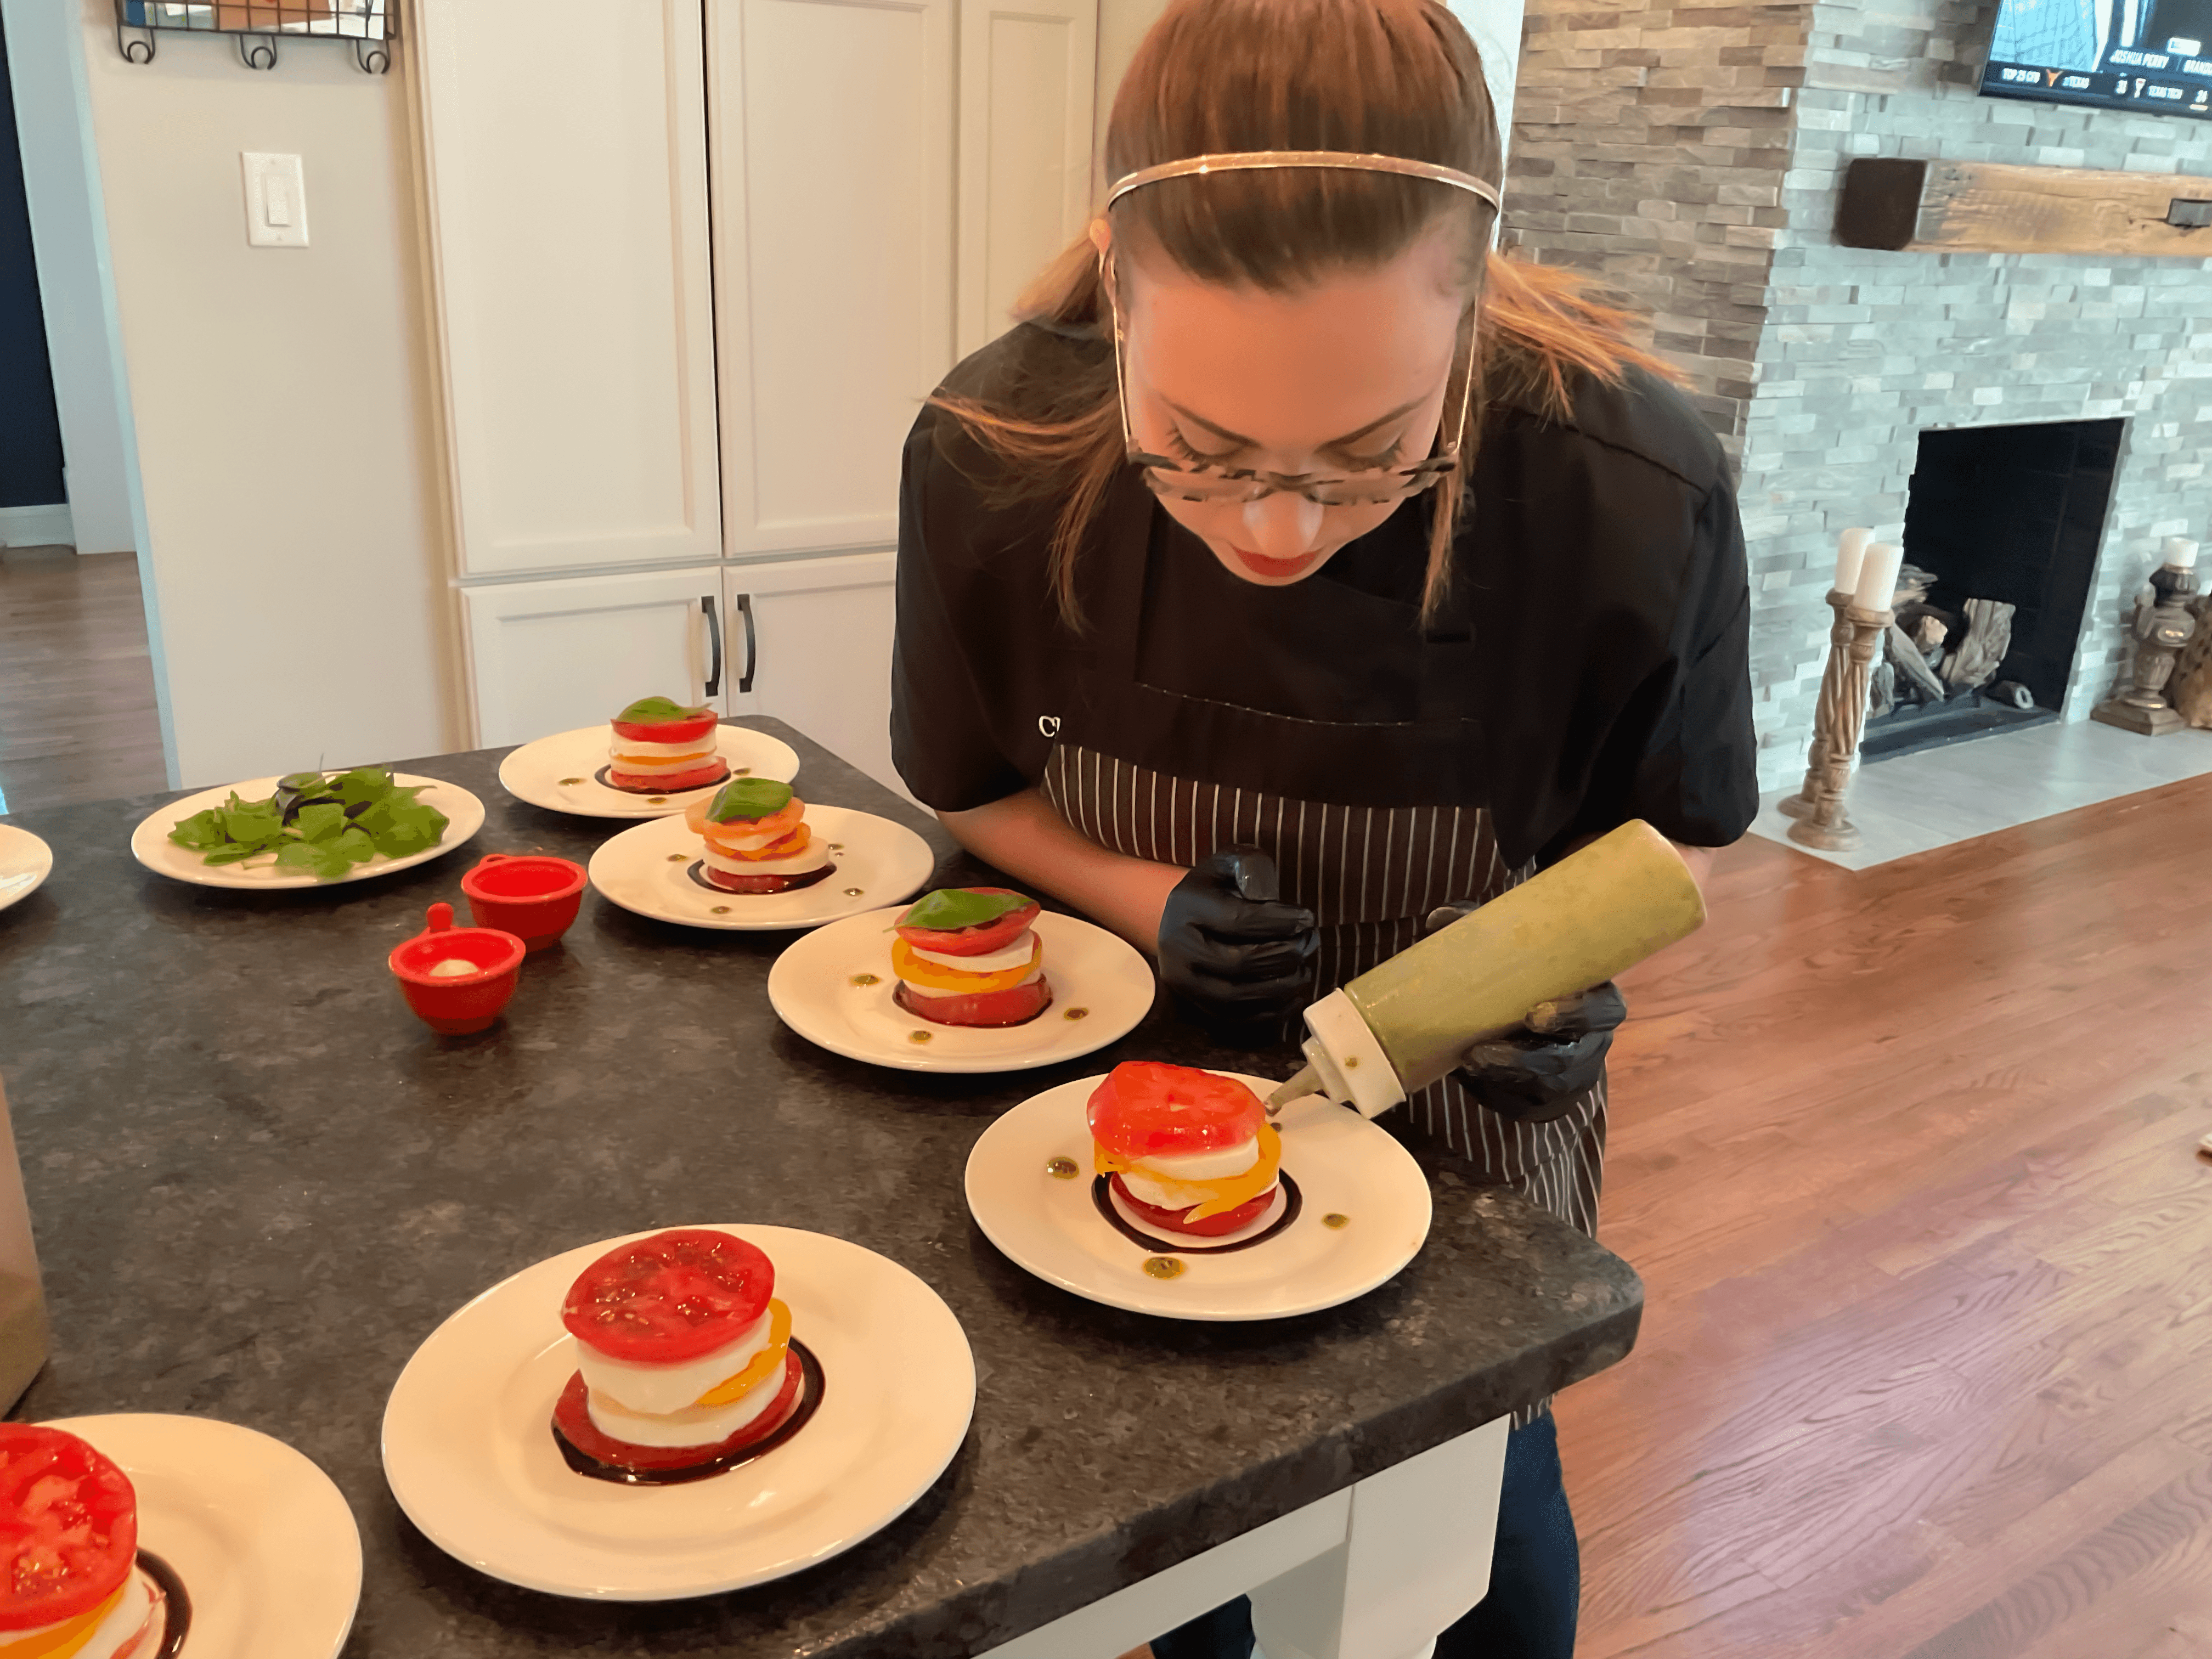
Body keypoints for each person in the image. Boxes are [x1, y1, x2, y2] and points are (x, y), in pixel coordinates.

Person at [889, 0, 1757, 1651]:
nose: (1279, 530)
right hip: (1123, 1105)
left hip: (1472, 1123)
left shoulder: (1627, 488)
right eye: (1198, 453)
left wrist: (1551, 967)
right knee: (1197, 1563)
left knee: (1489, 1572)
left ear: (1471, 306)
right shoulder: (992, 456)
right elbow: (971, 790)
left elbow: (1683, 833)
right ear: (1118, 294)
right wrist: (1143, 899)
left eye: (1372, 458)